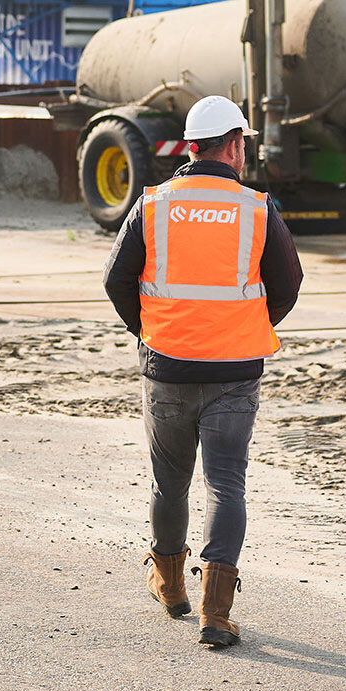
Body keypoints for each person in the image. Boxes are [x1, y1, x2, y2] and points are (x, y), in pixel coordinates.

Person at [103, 94, 303, 649]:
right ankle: (216, 613)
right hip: (234, 371)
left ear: (190, 146)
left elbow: (116, 280)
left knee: (170, 480)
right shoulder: (257, 207)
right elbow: (288, 284)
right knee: (226, 483)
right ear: (235, 146)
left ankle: (169, 587)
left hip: (166, 367)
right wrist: (245, 324)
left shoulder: (154, 204)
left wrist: (149, 331)